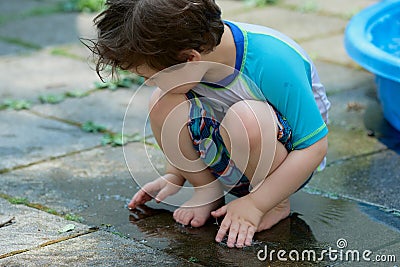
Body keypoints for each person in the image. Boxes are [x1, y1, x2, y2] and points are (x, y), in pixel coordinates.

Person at [88, 0, 330, 248]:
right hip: (231, 150)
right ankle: (207, 190)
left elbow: (314, 147)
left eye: (151, 77)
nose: (149, 83)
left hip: (284, 165)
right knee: (162, 102)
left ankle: (275, 203)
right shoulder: (194, 57)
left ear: (190, 59)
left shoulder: (272, 61)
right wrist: (176, 174)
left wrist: (256, 204)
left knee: (246, 118)